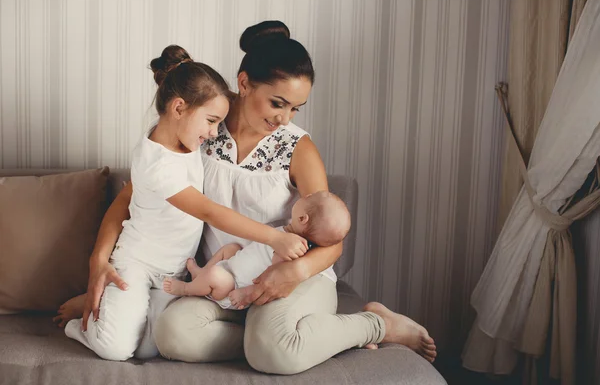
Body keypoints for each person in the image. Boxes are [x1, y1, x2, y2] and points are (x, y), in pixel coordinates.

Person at [54, 21, 437, 373]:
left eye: (295, 108)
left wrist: (295, 271)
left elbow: (332, 238)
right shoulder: (202, 127)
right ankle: (284, 342)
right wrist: (97, 265)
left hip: (289, 277)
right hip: (223, 281)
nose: (284, 118)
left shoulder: (297, 148)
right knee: (172, 334)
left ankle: (375, 324)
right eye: (277, 103)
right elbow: (131, 198)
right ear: (244, 82)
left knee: (273, 350)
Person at [62, 44, 308, 362]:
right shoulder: (156, 163)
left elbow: (224, 102)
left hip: (175, 273)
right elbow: (208, 210)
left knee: (153, 347)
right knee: (116, 349)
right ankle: (79, 327)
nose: (214, 132)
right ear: (179, 108)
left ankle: (113, 308)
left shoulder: (184, 139)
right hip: (136, 265)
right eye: (210, 121)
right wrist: (275, 237)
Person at [163, 191, 352, 311]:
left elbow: (272, 278)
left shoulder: (292, 251)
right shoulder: (287, 234)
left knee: (215, 276)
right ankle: (200, 274)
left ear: (303, 218)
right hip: (232, 265)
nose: (304, 195)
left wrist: (246, 292)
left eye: (308, 198)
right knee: (231, 248)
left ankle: (186, 288)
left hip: (233, 286)